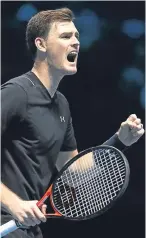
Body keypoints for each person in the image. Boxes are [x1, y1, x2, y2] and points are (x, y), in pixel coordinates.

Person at [1, 7, 144, 238]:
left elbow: (74, 173)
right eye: (66, 36)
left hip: (27, 229)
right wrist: (13, 203)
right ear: (41, 44)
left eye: (77, 36)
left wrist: (119, 141)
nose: (76, 42)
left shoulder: (61, 105)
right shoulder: (17, 93)